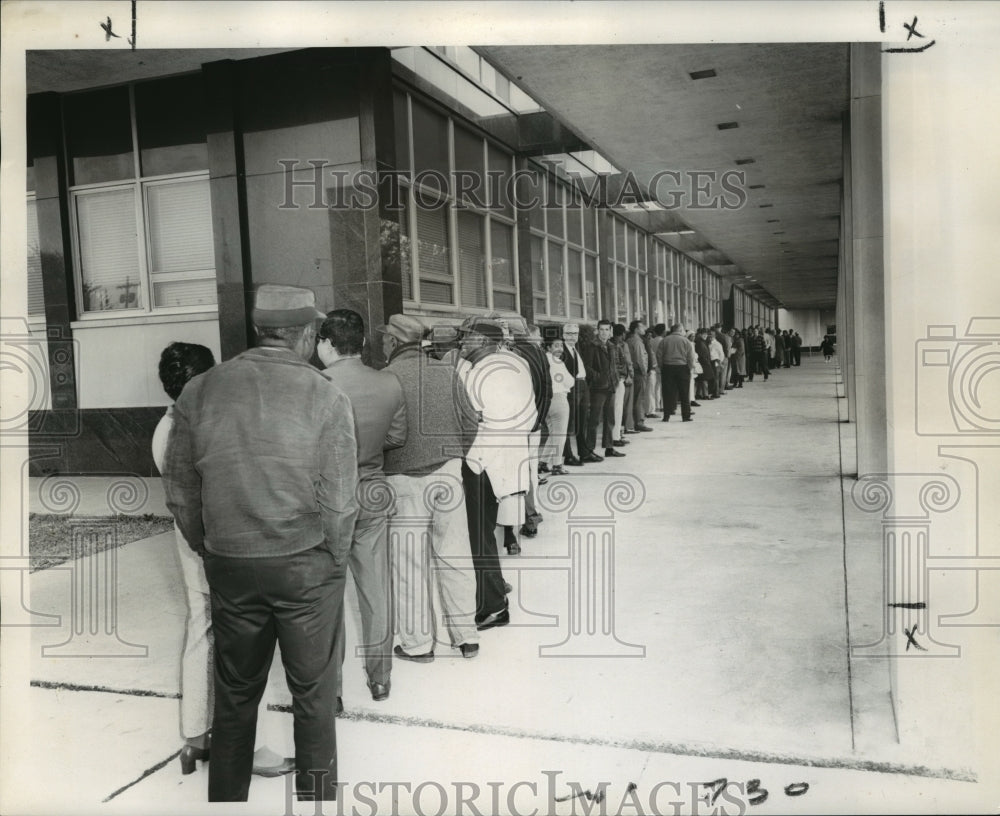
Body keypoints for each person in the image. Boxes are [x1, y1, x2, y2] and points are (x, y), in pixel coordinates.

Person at [163, 284, 359, 802]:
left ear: (259, 329)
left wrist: (210, 548)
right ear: (309, 333)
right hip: (304, 565)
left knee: (235, 692)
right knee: (313, 695)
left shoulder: (200, 390)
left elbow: (181, 488)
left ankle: (227, 799)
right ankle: (317, 798)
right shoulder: (325, 394)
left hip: (230, 561)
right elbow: (340, 497)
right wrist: (335, 558)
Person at [317, 310, 407, 708]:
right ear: (363, 343)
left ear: (326, 343)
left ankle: (331, 690)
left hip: (327, 499)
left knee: (327, 597)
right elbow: (397, 435)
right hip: (373, 491)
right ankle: (380, 679)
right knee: (375, 591)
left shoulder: (316, 384)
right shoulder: (389, 382)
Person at [380, 314, 481, 661]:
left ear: (393, 343)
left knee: (409, 564)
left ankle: (419, 646)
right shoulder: (446, 372)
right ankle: (467, 638)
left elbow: (382, 436)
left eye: (384, 339)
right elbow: (470, 422)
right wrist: (453, 458)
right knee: (455, 556)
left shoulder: (385, 378)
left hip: (404, 479)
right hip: (450, 473)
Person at [152, 342, 216, 776]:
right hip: (211, 541)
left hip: (188, 534)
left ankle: (195, 737)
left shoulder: (164, 426)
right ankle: (238, 745)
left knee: (201, 628)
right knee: (234, 639)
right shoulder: (198, 426)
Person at [582, 320, 623, 459]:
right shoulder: (592, 346)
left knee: (609, 418)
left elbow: (614, 365)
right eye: (601, 329)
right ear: (597, 331)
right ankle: (588, 450)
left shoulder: (611, 346)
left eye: (606, 329)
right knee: (594, 419)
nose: (604, 332)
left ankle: (609, 447)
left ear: (610, 331)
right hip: (598, 388)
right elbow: (586, 367)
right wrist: (599, 378)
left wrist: (615, 378)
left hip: (611, 386)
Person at [542, 335, 573, 476]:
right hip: (559, 398)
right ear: (549, 347)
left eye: (561, 345)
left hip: (546, 400)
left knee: (553, 432)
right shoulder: (557, 362)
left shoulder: (542, 359)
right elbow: (570, 382)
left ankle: (542, 462)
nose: (560, 349)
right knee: (560, 434)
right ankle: (557, 465)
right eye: (556, 346)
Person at [560, 323, 589, 466]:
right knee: (569, 422)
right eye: (570, 333)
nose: (573, 337)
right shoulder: (562, 350)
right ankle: (568, 455)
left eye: (575, 334)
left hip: (583, 385)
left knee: (582, 421)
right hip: (573, 387)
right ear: (564, 335)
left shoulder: (576, 348)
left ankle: (584, 452)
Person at [657, 323, 695, 422]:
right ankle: (686, 416)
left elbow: (659, 355)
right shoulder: (686, 341)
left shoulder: (664, 340)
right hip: (682, 368)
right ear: (680, 330)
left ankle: (666, 416)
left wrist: (662, 366)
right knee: (684, 393)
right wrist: (689, 368)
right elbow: (690, 357)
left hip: (668, 368)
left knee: (667, 392)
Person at [626, 320, 653, 432]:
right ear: (636, 329)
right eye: (642, 327)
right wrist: (644, 372)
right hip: (639, 373)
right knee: (639, 398)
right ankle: (639, 422)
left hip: (634, 372)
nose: (644, 329)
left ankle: (634, 421)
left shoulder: (630, 340)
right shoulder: (637, 342)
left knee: (635, 398)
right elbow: (640, 359)